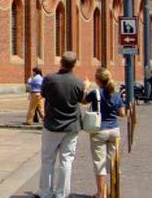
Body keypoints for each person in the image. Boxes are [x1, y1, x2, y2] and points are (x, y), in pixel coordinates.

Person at [36, 51, 84, 198]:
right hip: (71, 126)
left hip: (52, 125)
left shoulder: (49, 79)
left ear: (60, 62)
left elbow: (43, 94)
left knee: (48, 159)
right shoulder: (78, 82)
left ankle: (45, 192)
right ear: (74, 65)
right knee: (66, 160)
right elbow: (81, 100)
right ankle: (62, 193)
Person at [83, 68, 125, 198]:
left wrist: (85, 87)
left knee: (99, 163)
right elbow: (122, 114)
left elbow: (83, 101)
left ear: (97, 80)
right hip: (114, 131)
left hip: (99, 131)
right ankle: (114, 191)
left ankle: (101, 194)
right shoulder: (115, 94)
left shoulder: (95, 93)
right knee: (113, 162)